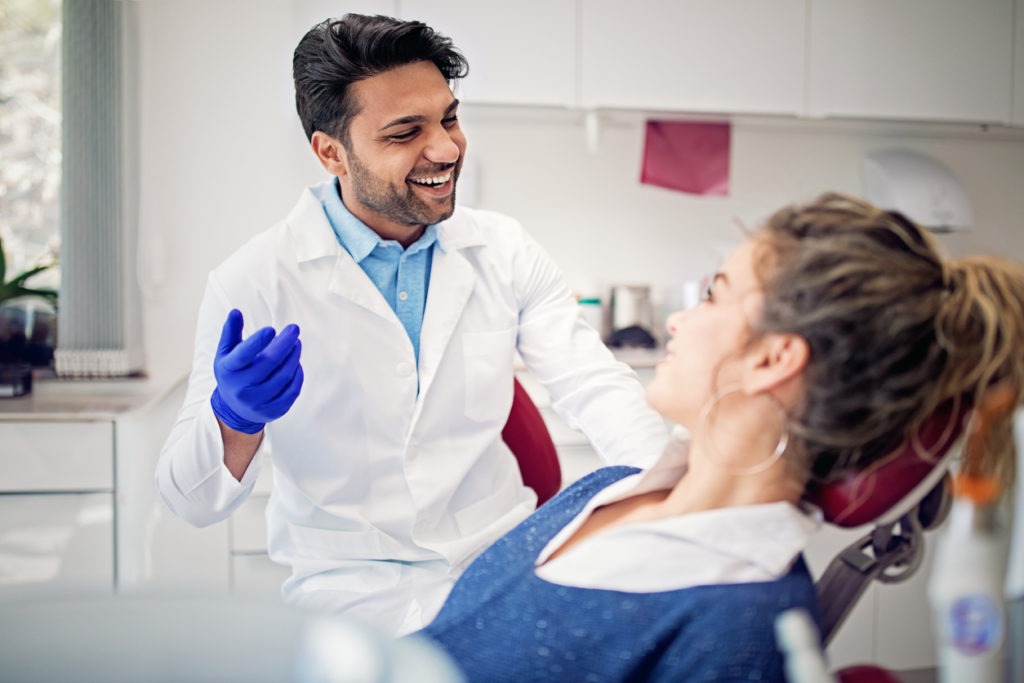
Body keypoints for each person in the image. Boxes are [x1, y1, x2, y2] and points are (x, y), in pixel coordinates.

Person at [155, 13, 669, 636]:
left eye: (449, 118)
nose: (447, 148)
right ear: (331, 153)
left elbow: (593, 385)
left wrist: (679, 495)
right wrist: (234, 423)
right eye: (406, 132)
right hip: (350, 594)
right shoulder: (255, 281)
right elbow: (188, 500)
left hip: (502, 566)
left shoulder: (503, 249)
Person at [416, 192, 1024, 682]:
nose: (679, 320)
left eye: (714, 295)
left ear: (773, 358)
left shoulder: (741, 630)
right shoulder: (606, 489)